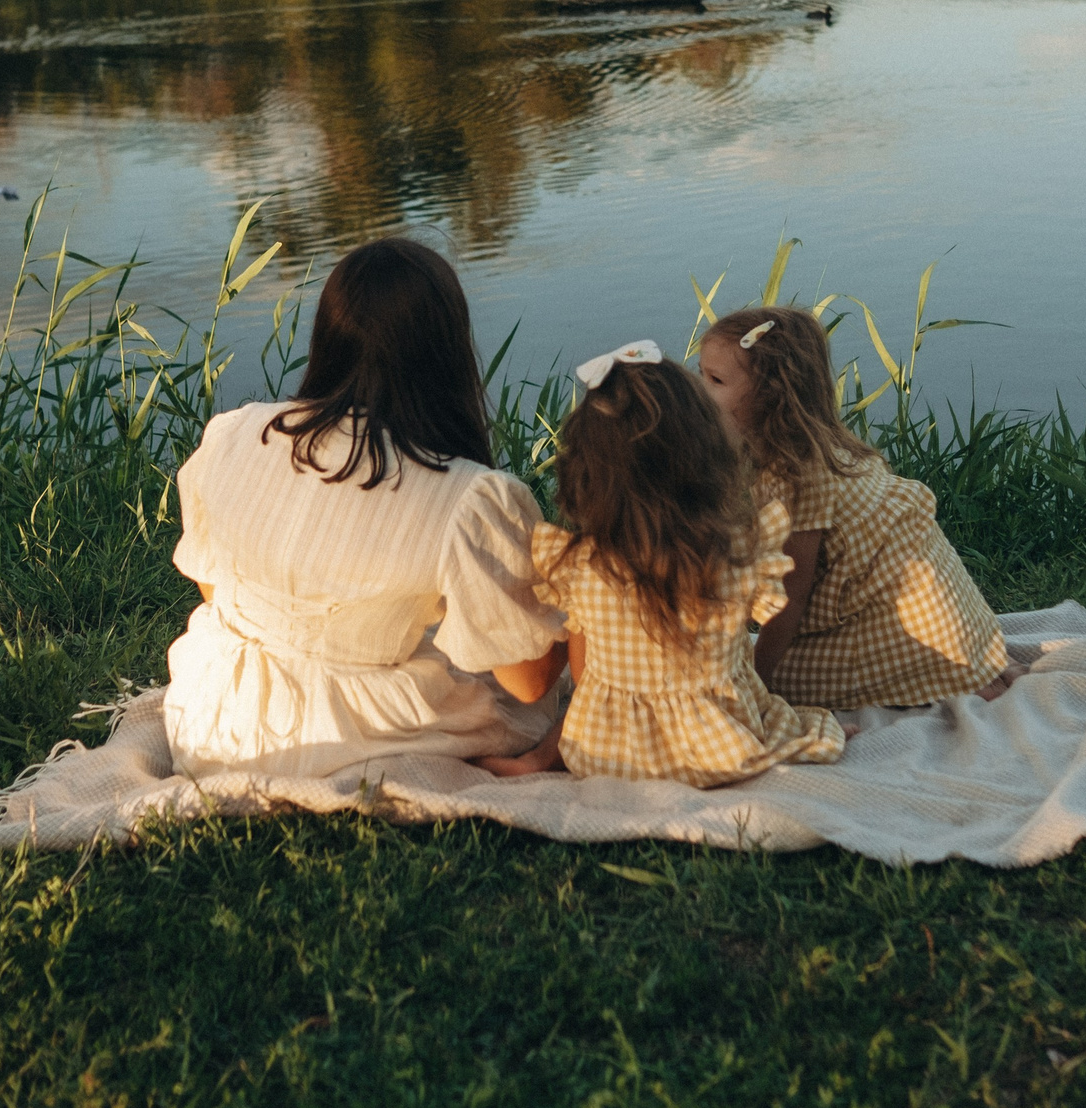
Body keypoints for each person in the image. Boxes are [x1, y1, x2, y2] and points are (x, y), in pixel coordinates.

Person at [160, 239, 567, 778]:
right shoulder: (470, 495)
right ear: (446, 352)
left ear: (327, 337)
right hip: (347, 736)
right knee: (530, 698)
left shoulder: (232, 433)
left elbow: (213, 586)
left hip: (213, 719)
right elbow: (528, 681)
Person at [474, 342, 843, 786]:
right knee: (790, 708)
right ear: (708, 454)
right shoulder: (739, 552)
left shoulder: (579, 566)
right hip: (722, 749)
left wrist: (541, 757)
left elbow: (586, 679)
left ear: (586, 471)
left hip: (607, 754)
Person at [694, 306, 1017, 710]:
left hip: (908, 615)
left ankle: (945, 673)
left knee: (783, 683)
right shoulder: (798, 443)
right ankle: (962, 665)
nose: (700, 391)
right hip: (921, 600)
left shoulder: (795, 475)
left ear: (771, 393)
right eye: (701, 375)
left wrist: (757, 684)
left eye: (716, 380)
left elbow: (790, 598)